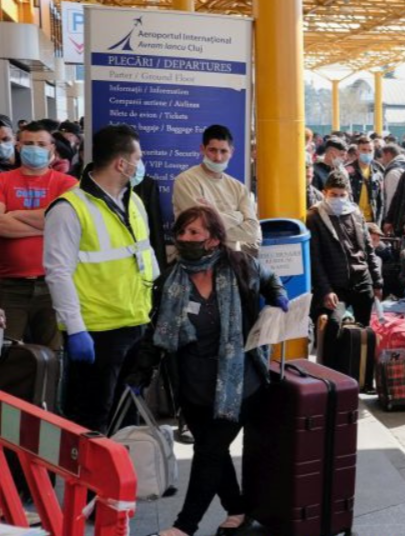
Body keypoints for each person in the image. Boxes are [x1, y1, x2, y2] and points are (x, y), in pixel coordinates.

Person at [147, 206, 288, 536]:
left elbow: (270, 280)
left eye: (194, 232)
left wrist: (278, 297)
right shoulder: (170, 279)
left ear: (213, 239)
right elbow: (157, 331)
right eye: (181, 232)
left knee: (208, 451)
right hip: (193, 386)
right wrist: (140, 371)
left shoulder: (241, 266)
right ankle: (237, 510)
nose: (185, 238)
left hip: (239, 382)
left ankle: (184, 526)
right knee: (214, 450)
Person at [45, 124, 159, 432]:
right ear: (122, 163)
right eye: (138, 158)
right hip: (96, 331)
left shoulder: (133, 201)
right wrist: (75, 329)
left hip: (135, 323)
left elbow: (144, 257)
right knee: (91, 420)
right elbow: (58, 274)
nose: (140, 164)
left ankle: (122, 466)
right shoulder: (69, 208)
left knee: (127, 418)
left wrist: (151, 314)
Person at [0, 121, 77, 350]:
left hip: (54, 284)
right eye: (29, 143)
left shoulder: (68, 183)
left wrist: (14, 214)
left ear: (52, 148)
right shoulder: (2, 180)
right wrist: (49, 223)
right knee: (8, 354)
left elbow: (67, 223)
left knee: (53, 356)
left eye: (41, 144)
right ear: (18, 146)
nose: (35, 148)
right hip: (8, 286)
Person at [307, 170, 383, 326]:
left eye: (342, 195)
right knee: (333, 324)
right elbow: (315, 259)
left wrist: (377, 282)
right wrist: (326, 290)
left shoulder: (355, 213)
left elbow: (368, 249)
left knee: (363, 328)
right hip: (335, 283)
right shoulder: (315, 217)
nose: (338, 199)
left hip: (361, 278)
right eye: (333, 195)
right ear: (324, 193)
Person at [172, 125, 261, 256]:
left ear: (231, 152)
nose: (218, 157)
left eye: (223, 151)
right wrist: (237, 216)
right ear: (202, 149)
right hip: (196, 260)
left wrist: (214, 219)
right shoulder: (185, 181)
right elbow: (200, 226)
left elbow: (252, 233)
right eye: (212, 150)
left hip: (231, 261)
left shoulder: (239, 188)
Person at [349, 136, 384, 224]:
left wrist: (378, 223)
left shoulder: (378, 171)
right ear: (357, 151)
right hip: (353, 220)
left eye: (370, 150)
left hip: (371, 220)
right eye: (364, 150)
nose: (367, 153)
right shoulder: (348, 171)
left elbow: (380, 201)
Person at [379, 144, 405, 219]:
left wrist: (388, 218)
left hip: (396, 216)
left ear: (388, 155)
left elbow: (391, 198)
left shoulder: (393, 172)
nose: (382, 159)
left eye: (382, 156)